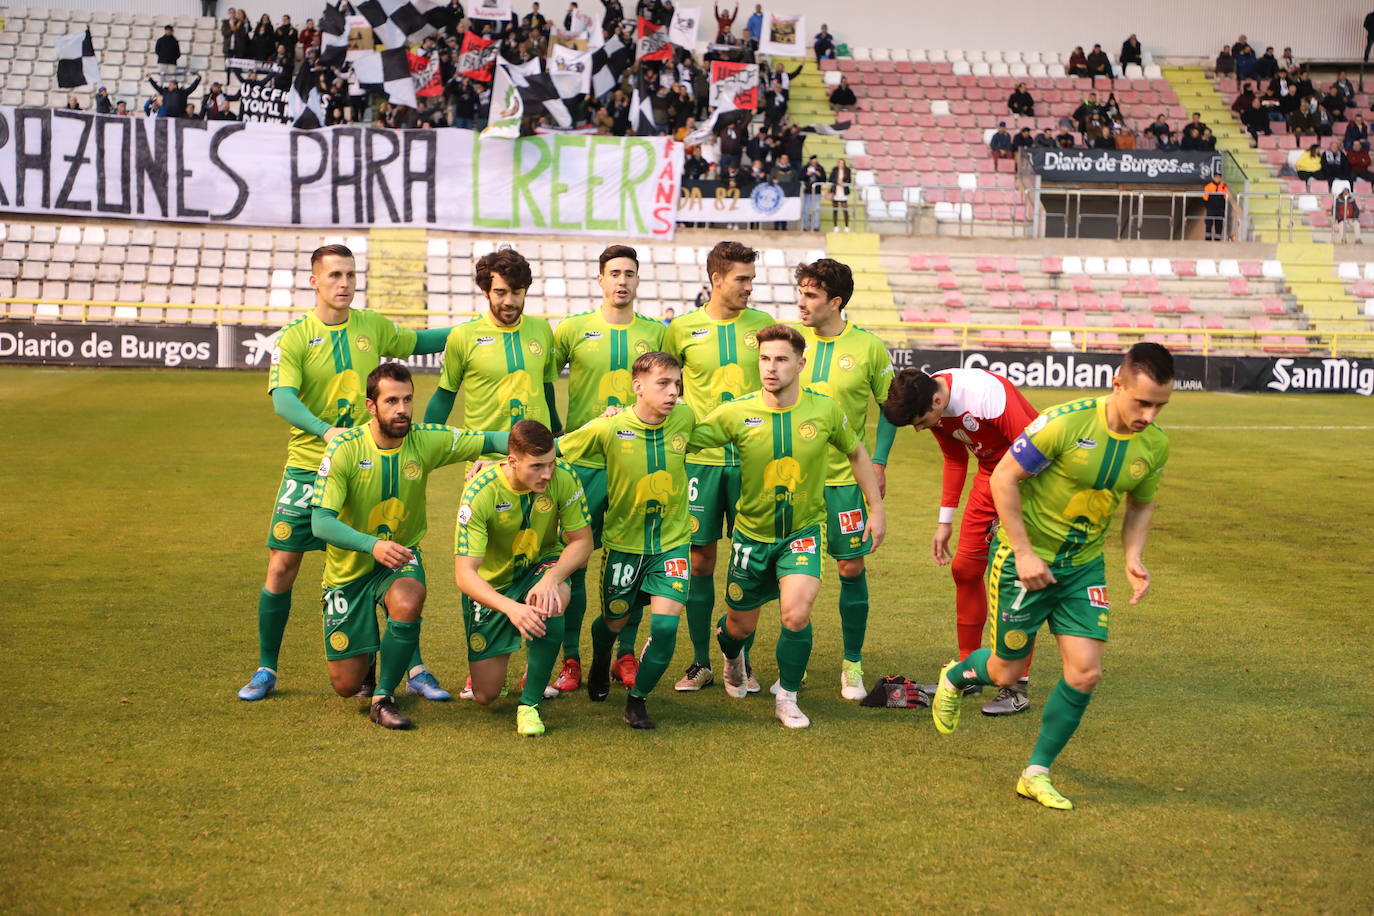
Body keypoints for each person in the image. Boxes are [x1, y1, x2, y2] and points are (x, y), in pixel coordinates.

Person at [929, 343, 1174, 811]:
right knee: (1007, 671)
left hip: (1084, 569)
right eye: (1142, 402)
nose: (1149, 414)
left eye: (1160, 405)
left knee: (1085, 673)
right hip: (1027, 563)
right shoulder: (1065, 423)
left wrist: (1133, 555)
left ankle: (1036, 772)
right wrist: (1022, 552)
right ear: (1117, 384)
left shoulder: (1155, 444)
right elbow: (1003, 478)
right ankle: (957, 675)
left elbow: (1141, 502)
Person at [237, 244, 456, 703]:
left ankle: (412, 666)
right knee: (281, 566)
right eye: (335, 275)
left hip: (367, 467)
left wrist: (475, 332)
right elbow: (283, 400)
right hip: (306, 466)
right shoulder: (295, 337)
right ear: (314, 280)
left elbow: (419, 342)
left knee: (389, 558)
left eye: (351, 275)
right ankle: (266, 668)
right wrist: (325, 430)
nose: (344, 283)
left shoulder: (371, 326)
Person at [688, 324, 886, 727]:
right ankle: (731, 653)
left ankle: (789, 697)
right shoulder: (736, 413)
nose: (770, 368)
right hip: (751, 537)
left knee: (795, 615)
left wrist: (876, 507)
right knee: (738, 627)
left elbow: (856, 452)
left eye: (780, 359)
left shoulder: (825, 410)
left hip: (803, 533)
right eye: (764, 359)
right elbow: (683, 439)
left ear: (800, 363)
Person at [309, 363, 503, 729]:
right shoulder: (345, 449)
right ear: (371, 405)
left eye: (408, 399)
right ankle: (367, 662)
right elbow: (320, 522)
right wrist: (373, 546)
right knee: (346, 686)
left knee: (410, 597)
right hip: (347, 572)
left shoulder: (425, 439)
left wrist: (544, 447)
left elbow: (493, 440)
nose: (402, 409)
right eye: (392, 400)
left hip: (401, 558)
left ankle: (384, 697)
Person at [882, 365, 1042, 715]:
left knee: (1016, 581)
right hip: (991, 478)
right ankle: (969, 672)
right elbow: (955, 458)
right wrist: (945, 522)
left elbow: (1037, 451)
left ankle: (1016, 686)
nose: (922, 429)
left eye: (921, 422)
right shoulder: (931, 393)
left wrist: (1010, 513)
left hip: (1028, 479)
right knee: (965, 569)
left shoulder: (986, 395)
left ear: (937, 401)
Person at [547, 246, 666, 694]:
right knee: (572, 563)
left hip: (636, 464)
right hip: (583, 465)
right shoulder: (573, 330)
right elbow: (544, 381)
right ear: (600, 279)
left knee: (632, 562)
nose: (622, 280)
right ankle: (571, 659)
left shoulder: (656, 333)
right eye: (614, 273)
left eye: (629, 274)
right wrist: (556, 433)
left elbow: (670, 386)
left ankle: (625, 655)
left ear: (638, 281)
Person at [556, 352, 697, 727]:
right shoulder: (610, 427)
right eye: (663, 384)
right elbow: (556, 448)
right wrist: (497, 461)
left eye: (677, 384)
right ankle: (602, 658)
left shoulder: (686, 418)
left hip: (672, 543)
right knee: (613, 622)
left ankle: (637, 700)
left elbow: (725, 433)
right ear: (638, 387)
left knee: (665, 627)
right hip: (624, 545)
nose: (673, 392)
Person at [663, 241, 776, 692]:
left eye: (751, 278)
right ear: (716, 279)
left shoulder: (765, 326)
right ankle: (699, 662)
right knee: (700, 560)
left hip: (753, 461)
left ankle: (738, 654)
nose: (750, 287)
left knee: (751, 560)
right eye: (742, 279)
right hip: (701, 462)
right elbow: (666, 386)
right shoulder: (680, 329)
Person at [794, 260, 896, 700]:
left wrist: (880, 461)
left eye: (812, 295)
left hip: (843, 481)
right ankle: (771, 657)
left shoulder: (870, 348)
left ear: (836, 302)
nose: (802, 301)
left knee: (850, 566)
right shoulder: (790, 344)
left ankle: (851, 663)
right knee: (787, 571)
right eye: (800, 292)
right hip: (793, 480)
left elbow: (891, 407)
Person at [455, 420, 594, 737]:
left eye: (551, 463)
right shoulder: (480, 492)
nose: (547, 474)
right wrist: (512, 609)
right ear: (512, 461)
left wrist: (552, 577)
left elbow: (582, 541)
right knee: (485, 695)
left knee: (553, 598)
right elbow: (465, 575)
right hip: (494, 585)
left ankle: (529, 704)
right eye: (537, 467)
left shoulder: (563, 477)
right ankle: (500, 666)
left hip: (540, 565)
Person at [424, 249, 560, 445]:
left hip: (537, 459)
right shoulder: (463, 335)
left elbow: (546, 385)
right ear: (485, 291)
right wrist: (425, 441)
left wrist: (556, 430)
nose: (509, 301)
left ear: (526, 291)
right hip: (484, 461)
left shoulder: (542, 330)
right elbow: (445, 394)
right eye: (500, 292)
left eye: (516, 292)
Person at [801, 155, 827, 232]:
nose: (814, 163)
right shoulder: (805, 168)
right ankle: (805, 226)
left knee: (816, 210)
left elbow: (824, 179)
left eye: (815, 162)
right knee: (806, 210)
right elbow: (799, 177)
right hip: (808, 192)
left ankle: (816, 226)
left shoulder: (820, 168)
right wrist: (806, 175)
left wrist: (820, 175)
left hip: (817, 192)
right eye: (812, 162)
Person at [1203, 173, 1229, 241]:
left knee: (1219, 224)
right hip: (1211, 208)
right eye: (1216, 177)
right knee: (1208, 224)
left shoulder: (1224, 186)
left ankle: (1217, 239)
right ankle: (1208, 239)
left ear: (1220, 178)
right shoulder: (1208, 186)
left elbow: (1226, 198)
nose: (1217, 179)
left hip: (1220, 209)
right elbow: (1205, 199)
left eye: (1219, 177)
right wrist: (1208, 207)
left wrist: (1223, 208)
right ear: (1213, 178)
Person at [830, 158, 852, 230]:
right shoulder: (834, 170)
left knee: (845, 210)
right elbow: (830, 179)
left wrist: (843, 183)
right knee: (835, 210)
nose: (841, 164)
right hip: (836, 191)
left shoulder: (847, 171)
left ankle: (846, 226)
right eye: (839, 163)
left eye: (842, 163)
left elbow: (849, 181)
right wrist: (837, 182)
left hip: (843, 192)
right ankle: (835, 226)